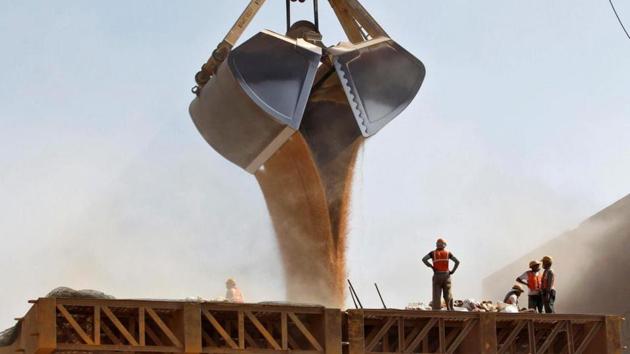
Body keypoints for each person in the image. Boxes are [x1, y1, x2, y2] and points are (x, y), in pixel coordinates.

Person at [422, 238, 460, 311]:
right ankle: (450, 309)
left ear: (436, 245)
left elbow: (424, 259)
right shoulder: (448, 253)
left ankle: (436, 311)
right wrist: (452, 271)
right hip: (446, 275)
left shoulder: (433, 253)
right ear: (444, 245)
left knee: (436, 294)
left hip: (437, 275)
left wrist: (431, 267)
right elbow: (457, 262)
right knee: (448, 292)